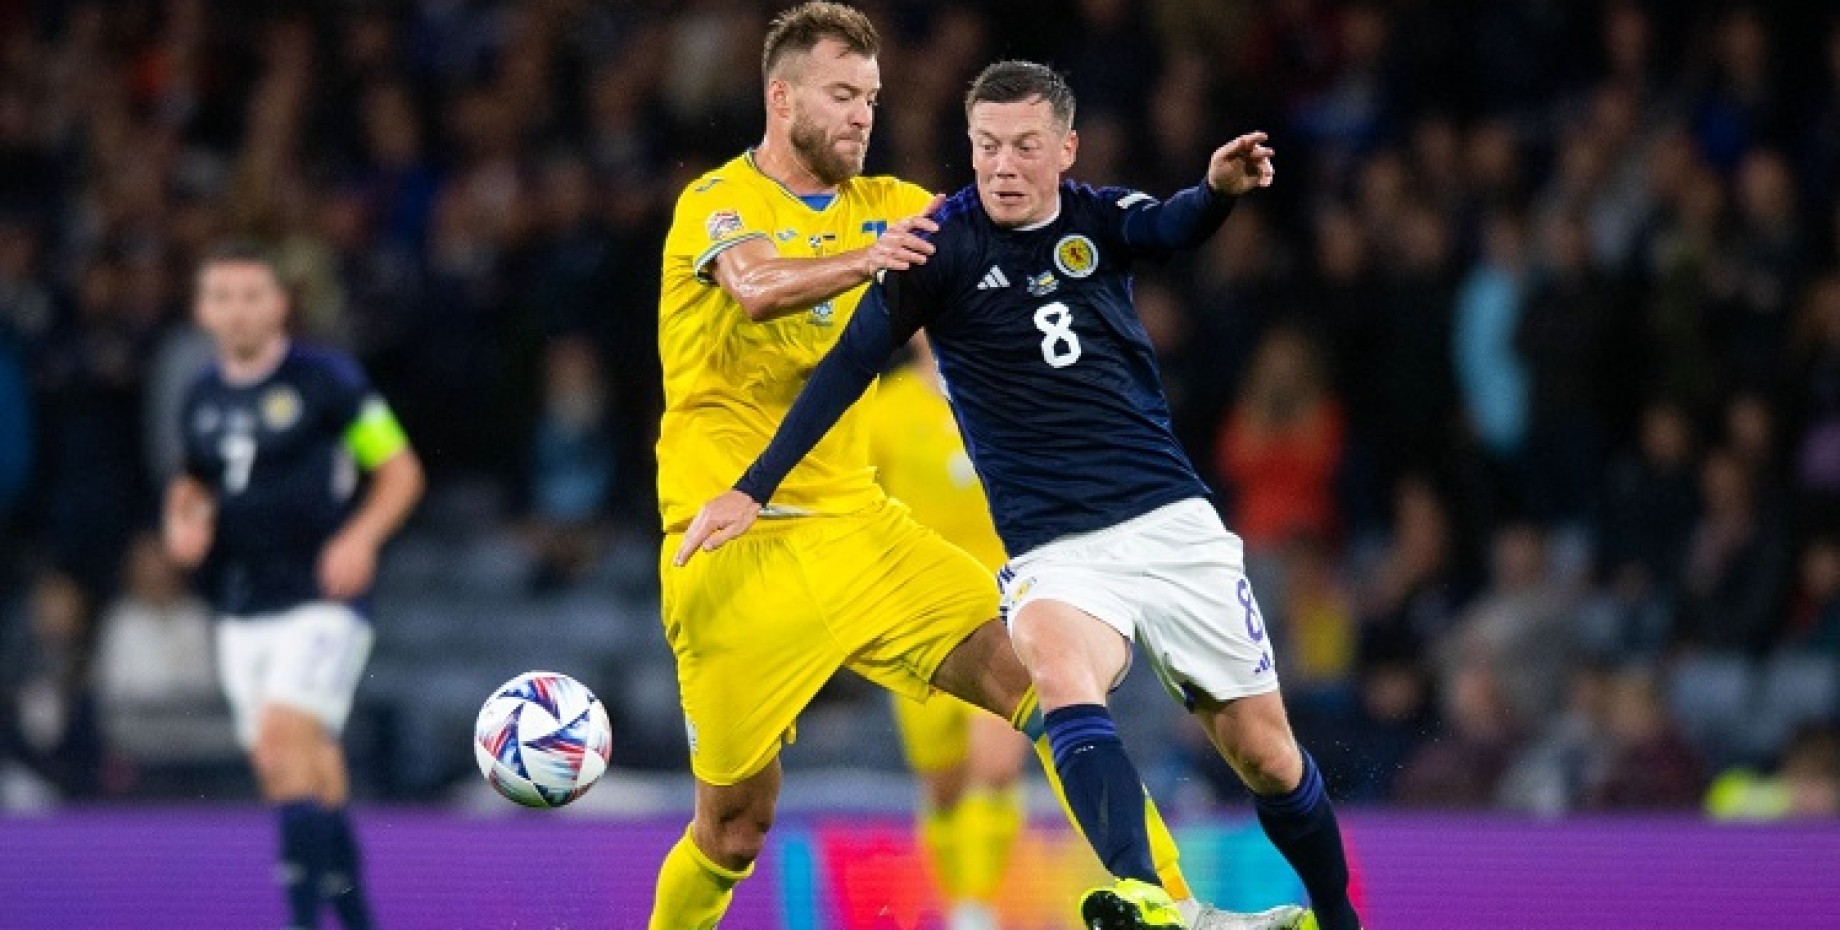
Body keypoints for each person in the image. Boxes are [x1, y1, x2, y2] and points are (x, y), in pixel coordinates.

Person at [651, 6, 1296, 930]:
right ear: (781, 97)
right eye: (841, 95)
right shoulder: (718, 202)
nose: (862, 115)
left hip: (862, 534)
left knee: (1049, 686)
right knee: (733, 830)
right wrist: (865, 260)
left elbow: (1025, 225)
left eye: (871, 98)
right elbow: (754, 287)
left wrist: (1185, 211)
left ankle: (1173, 907)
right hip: (735, 549)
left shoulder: (894, 203)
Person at [164, 241, 424, 930]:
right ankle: (357, 917)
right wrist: (182, 519)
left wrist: (360, 537)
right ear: (202, 311)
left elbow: (399, 470)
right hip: (242, 605)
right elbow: (193, 480)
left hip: (321, 599)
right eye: (222, 297)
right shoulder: (202, 395)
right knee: (302, 767)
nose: (238, 311)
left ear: (280, 304)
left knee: (283, 744)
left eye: (252, 296)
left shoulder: (325, 382)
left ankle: (302, 922)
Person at [869, 335, 1028, 930]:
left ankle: (975, 909)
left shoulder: (1005, 389)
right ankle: (958, 898)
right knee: (943, 785)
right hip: (919, 613)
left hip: (1005, 603)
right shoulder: (885, 408)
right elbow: (857, 503)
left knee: (998, 765)